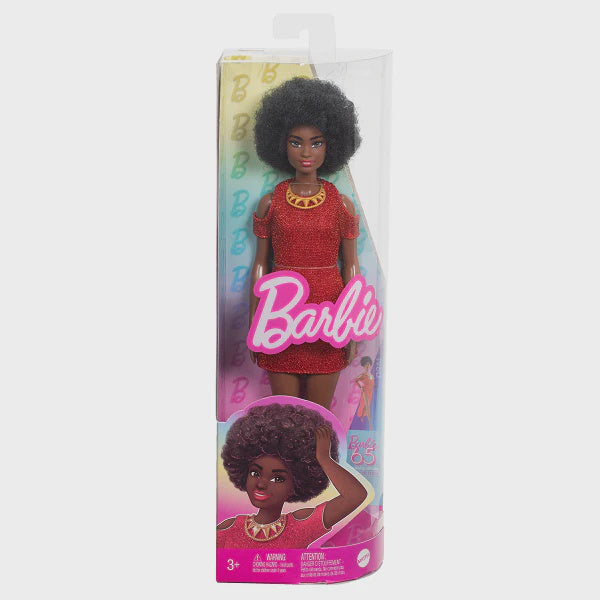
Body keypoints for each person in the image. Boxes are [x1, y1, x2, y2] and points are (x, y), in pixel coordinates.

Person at [249, 77, 362, 409]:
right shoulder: (271, 203)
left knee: (320, 420)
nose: (307, 152)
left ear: (331, 145)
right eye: (296, 142)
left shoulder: (341, 204)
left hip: (326, 317)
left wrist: (351, 325)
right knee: (285, 416)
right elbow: (260, 264)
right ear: (280, 144)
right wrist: (256, 323)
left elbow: (351, 266)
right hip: (281, 314)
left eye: (317, 142)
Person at [217, 403, 368, 549]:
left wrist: (324, 460)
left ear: (295, 485)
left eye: (277, 479)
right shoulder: (228, 529)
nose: (261, 484)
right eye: (255, 473)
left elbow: (355, 496)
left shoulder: (300, 527)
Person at [353, 356, 375, 429]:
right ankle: (370, 424)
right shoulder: (363, 375)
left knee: (366, 407)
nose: (367, 366)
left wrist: (375, 386)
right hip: (365, 392)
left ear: (370, 365)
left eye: (368, 364)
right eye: (366, 365)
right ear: (363, 366)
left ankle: (362, 417)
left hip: (370, 393)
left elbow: (372, 384)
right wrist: (361, 387)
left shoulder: (371, 376)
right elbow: (356, 380)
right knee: (367, 407)